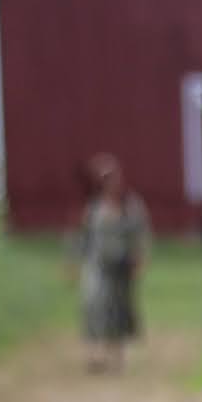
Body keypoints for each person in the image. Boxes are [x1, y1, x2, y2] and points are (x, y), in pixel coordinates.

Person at [71, 155, 150, 373]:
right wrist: (74, 261)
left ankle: (118, 356)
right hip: (97, 263)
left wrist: (140, 258)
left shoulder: (130, 205)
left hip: (121, 263)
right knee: (93, 304)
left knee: (119, 308)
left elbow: (140, 233)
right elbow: (83, 237)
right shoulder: (93, 208)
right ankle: (95, 353)